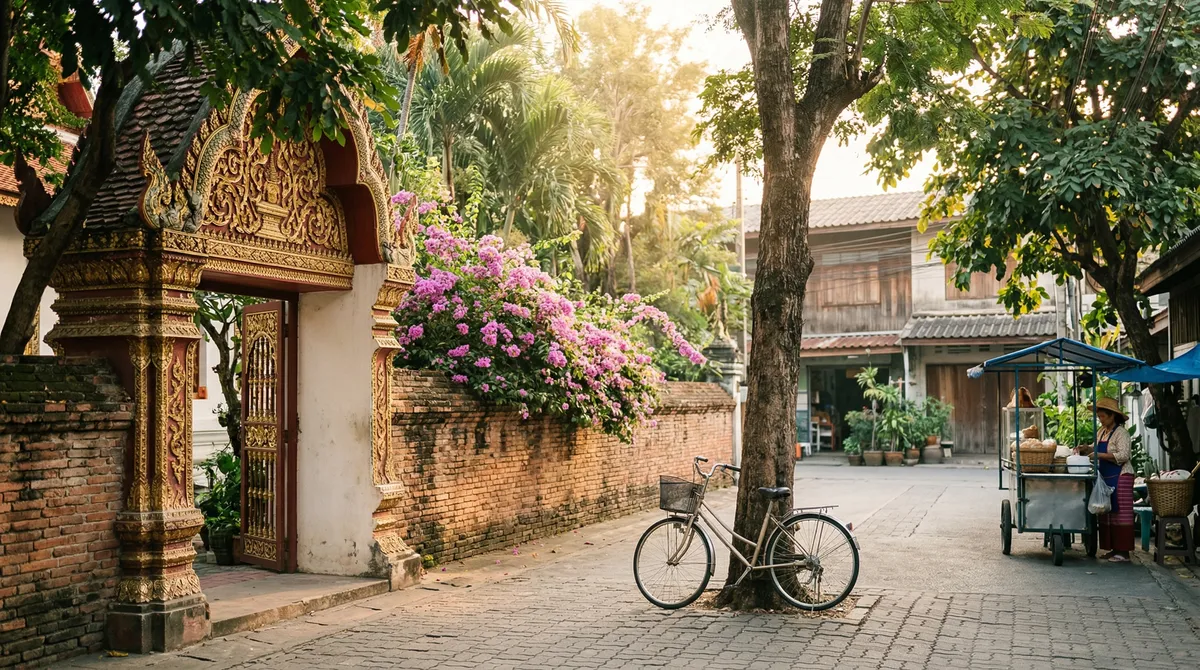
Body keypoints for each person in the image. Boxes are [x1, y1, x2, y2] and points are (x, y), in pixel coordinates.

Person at [1076, 397, 1134, 562]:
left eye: (1103, 416)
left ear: (1112, 416)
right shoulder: (1102, 431)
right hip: (1106, 476)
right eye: (1099, 416)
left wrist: (1099, 455)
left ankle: (1123, 552)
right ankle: (1113, 549)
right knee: (1106, 512)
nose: (1100, 420)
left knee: (1120, 514)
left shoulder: (1121, 433)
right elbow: (1095, 447)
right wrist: (1086, 448)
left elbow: (1124, 455)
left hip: (1121, 477)